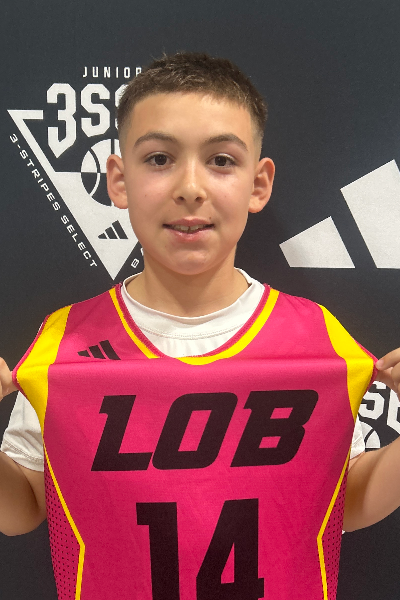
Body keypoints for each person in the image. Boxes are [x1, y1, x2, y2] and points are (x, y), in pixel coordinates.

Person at [0, 51, 399, 600]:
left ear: (259, 184)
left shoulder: (316, 335)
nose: (190, 187)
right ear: (117, 180)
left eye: (221, 160)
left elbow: (343, 498)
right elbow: (24, 505)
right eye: (159, 159)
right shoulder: (65, 340)